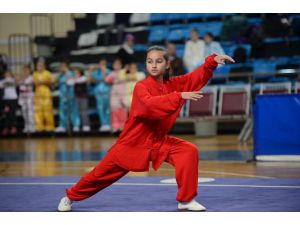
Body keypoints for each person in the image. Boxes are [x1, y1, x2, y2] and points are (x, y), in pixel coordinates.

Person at [57, 46, 234, 212]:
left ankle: (186, 200)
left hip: (157, 141)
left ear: (167, 64)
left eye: (158, 61)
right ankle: (70, 196)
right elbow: (150, 106)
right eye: (150, 61)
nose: (154, 65)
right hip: (132, 144)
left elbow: (194, 77)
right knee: (99, 176)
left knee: (187, 151)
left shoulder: (173, 84)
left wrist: (212, 62)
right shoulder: (141, 87)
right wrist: (178, 96)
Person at [55, 61, 80, 133]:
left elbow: (70, 81)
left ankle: (76, 125)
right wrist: (60, 73)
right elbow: (55, 81)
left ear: (66, 66)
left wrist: (67, 72)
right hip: (63, 95)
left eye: (63, 66)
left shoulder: (71, 73)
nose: (61, 68)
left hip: (70, 94)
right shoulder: (61, 75)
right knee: (62, 110)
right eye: (61, 67)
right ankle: (62, 126)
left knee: (73, 110)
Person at [32, 58, 55, 132]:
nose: (39, 67)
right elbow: (35, 83)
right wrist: (38, 82)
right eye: (37, 65)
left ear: (44, 66)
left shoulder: (47, 73)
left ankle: (50, 126)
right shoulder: (35, 74)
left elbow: (52, 82)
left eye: (40, 65)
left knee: (47, 110)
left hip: (46, 93)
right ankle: (39, 127)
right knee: (38, 111)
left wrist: (45, 82)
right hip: (38, 94)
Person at [105, 58, 127, 133]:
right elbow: (107, 80)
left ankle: (122, 126)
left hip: (123, 93)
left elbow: (126, 78)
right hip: (114, 94)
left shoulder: (124, 72)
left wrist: (117, 79)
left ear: (121, 65)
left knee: (123, 110)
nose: (117, 66)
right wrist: (114, 79)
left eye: (118, 64)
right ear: (113, 66)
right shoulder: (112, 73)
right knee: (114, 110)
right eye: (115, 64)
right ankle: (115, 126)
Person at [91, 59, 111, 132]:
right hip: (98, 93)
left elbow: (106, 80)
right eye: (100, 64)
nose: (102, 66)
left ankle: (108, 124)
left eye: (103, 64)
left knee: (107, 108)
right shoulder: (96, 72)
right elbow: (93, 81)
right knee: (100, 108)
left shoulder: (108, 71)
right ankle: (103, 124)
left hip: (106, 92)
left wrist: (104, 72)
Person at [18, 65, 35, 133]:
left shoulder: (32, 77)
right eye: (24, 70)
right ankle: (26, 126)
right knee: (24, 111)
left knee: (30, 112)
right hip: (22, 96)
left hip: (29, 95)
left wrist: (24, 81)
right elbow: (18, 83)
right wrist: (22, 78)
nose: (25, 72)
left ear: (30, 71)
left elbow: (32, 83)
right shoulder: (22, 78)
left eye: (27, 70)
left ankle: (32, 127)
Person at [0, 71, 18, 135]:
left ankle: (13, 127)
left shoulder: (13, 80)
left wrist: (6, 84)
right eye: (6, 74)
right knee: (6, 113)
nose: (7, 75)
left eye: (8, 74)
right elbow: (1, 86)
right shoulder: (2, 81)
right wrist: (6, 84)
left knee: (13, 113)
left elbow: (14, 83)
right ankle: (6, 128)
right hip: (6, 99)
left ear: (11, 74)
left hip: (13, 99)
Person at [74, 68, 91, 132]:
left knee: (84, 111)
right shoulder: (75, 79)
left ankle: (86, 125)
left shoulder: (83, 78)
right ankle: (78, 125)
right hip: (77, 97)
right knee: (78, 112)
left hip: (83, 97)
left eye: (77, 73)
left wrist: (89, 72)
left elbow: (83, 81)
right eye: (75, 73)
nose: (75, 74)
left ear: (80, 73)